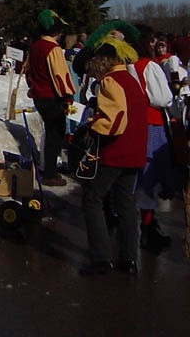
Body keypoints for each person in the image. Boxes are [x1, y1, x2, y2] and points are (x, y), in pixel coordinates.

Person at [77, 37, 147, 276]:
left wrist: (92, 126)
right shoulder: (131, 80)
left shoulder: (110, 81)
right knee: (126, 203)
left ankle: (100, 258)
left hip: (116, 151)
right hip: (136, 151)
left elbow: (115, 120)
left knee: (93, 198)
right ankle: (128, 259)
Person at [131, 25, 174, 253]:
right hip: (152, 123)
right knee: (151, 174)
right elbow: (162, 98)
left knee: (141, 175)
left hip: (136, 123)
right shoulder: (149, 66)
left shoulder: (130, 66)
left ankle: (146, 225)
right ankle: (147, 230)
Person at [26, 9, 76, 186]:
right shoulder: (52, 48)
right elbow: (60, 74)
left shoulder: (35, 46)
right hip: (52, 97)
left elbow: (29, 72)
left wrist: (33, 87)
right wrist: (68, 95)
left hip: (39, 96)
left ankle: (48, 169)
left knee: (51, 133)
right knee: (56, 134)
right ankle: (50, 172)